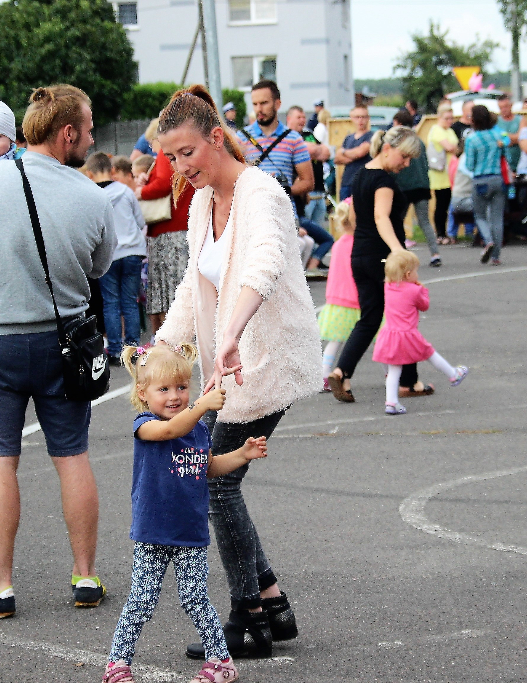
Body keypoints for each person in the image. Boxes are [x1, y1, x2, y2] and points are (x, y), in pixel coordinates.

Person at [0, 84, 116, 619]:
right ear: (67, 133)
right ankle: (85, 576)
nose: (90, 137)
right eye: (87, 128)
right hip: (63, 341)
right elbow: (99, 267)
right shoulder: (91, 195)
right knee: (71, 455)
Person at [155, 84, 320, 659]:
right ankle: (271, 603)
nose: (180, 167)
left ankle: (248, 616)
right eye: (171, 157)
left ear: (216, 138)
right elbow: (193, 283)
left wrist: (229, 333)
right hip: (232, 362)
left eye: (186, 153)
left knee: (213, 480)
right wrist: (161, 346)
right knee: (218, 481)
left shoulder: (261, 191)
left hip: (269, 357)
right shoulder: (203, 202)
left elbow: (267, 262)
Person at [103, 344, 268, 683]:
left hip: (190, 534)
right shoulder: (145, 425)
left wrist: (243, 454)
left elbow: (208, 467)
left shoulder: (198, 430)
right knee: (141, 602)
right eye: (163, 389)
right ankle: (118, 664)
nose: (174, 396)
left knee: (196, 600)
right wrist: (200, 406)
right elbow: (169, 431)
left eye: (181, 387)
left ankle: (221, 662)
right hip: (152, 532)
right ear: (143, 392)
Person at [327, 126, 429, 402]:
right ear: (388, 149)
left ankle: (341, 372)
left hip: (359, 255)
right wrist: (398, 252)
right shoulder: (383, 181)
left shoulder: (360, 175)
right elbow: (382, 218)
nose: (406, 164)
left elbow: (358, 218)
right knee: (403, 317)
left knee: (370, 319)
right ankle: (409, 383)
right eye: (404, 157)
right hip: (382, 258)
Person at [372, 250, 467, 415]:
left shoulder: (388, 286)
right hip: (407, 334)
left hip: (390, 333)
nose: (417, 274)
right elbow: (424, 305)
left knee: (394, 370)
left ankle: (391, 402)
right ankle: (453, 374)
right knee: (429, 353)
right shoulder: (414, 290)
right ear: (408, 274)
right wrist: (422, 290)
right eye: (416, 271)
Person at [84, 153, 146, 361]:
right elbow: (140, 220)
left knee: (110, 302)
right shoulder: (125, 192)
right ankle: (133, 348)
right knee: (130, 301)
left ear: (90, 174)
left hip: (108, 254)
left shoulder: (91, 197)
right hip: (132, 252)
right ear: (112, 171)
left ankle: (116, 349)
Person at [135, 145, 194, 339]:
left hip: (167, 228)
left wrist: (141, 192)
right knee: (176, 285)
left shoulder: (166, 151)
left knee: (165, 287)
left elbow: (162, 184)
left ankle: (168, 337)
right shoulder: (190, 150)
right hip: (182, 225)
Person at [284, 105, 334, 271]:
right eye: (299, 117)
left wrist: (313, 149)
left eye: (304, 117)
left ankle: (311, 267)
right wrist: (312, 150)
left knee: (314, 234)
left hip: (316, 190)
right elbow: (313, 150)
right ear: (289, 119)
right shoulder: (285, 138)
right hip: (303, 196)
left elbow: (326, 152)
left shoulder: (308, 135)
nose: (302, 120)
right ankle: (309, 269)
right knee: (310, 232)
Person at [318, 200, 359, 391]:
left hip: (337, 298)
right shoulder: (359, 244)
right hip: (357, 299)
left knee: (336, 340)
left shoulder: (338, 244)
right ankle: (388, 372)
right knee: (373, 336)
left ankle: (324, 374)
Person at [393, 110, 441, 266]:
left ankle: (399, 252)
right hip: (421, 185)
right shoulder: (419, 141)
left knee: (398, 221)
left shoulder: (400, 143)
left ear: (398, 123)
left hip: (404, 187)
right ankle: (435, 253)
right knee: (424, 221)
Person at [462, 105, 506, 265]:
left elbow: (470, 165)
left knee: (480, 215)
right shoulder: (497, 134)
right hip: (497, 178)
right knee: (497, 218)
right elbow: (505, 147)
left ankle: (488, 240)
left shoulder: (472, 139)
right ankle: (496, 256)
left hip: (480, 180)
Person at [429, 105, 459, 245]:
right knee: (441, 205)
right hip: (440, 174)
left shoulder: (449, 131)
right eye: (446, 118)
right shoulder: (437, 131)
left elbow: (454, 147)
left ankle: (446, 232)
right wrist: (453, 148)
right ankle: (440, 233)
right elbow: (450, 147)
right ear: (439, 117)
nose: (450, 121)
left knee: (447, 205)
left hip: (450, 173)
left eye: (451, 118)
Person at [335, 105, 373, 200]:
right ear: (352, 118)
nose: (360, 120)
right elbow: (337, 159)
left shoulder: (371, 136)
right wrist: (353, 154)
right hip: (346, 183)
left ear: (368, 118)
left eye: (363, 117)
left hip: (363, 183)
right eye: (357, 117)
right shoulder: (348, 138)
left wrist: (344, 151)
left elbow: (360, 153)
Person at [446, 141, 477, 244]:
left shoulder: (455, 159)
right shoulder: (465, 159)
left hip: (456, 193)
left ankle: (452, 233)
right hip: (464, 198)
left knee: (452, 209)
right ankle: (472, 233)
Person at [495, 94, 521, 172]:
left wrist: (505, 137)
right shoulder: (496, 122)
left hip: (518, 162)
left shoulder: (520, 120)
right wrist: (514, 139)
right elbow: (497, 141)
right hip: (503, 165)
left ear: (511, 105)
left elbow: (521, 137)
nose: (503, 110)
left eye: (505, 106)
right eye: (500, 108)